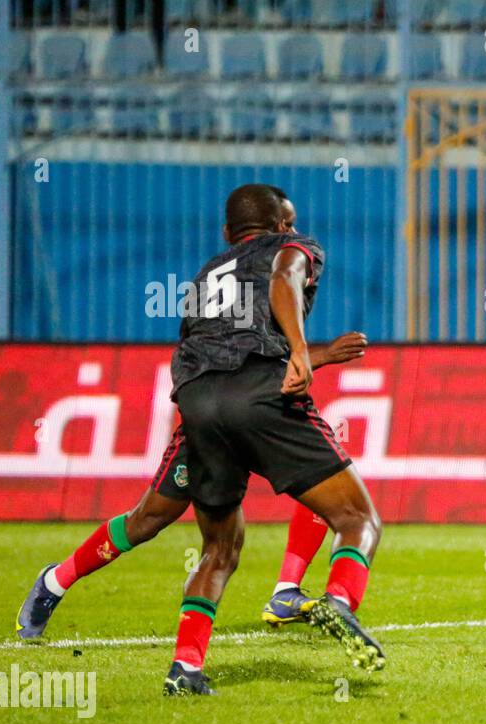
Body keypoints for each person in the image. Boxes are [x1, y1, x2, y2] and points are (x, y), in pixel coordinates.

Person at [162, 183, 384, 695]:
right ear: (284, 226)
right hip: (262, 393)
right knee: (356, 517)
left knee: (218, 549)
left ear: (227, 232)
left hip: (196, 399)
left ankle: (185, 669)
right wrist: (303, 353)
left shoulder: (205, 275)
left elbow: (193, 340)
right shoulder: (293, 248)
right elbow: (285, 278)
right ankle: (339, 601)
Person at [14, 333, 367, 640]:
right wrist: (322, 356)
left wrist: (308, 359)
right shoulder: (241, 293)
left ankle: (284, 590)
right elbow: (235, 369)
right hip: (212, 424)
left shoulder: (269, 287)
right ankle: (55, 581)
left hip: (266, 415)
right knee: (147, 521)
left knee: (323, 486)